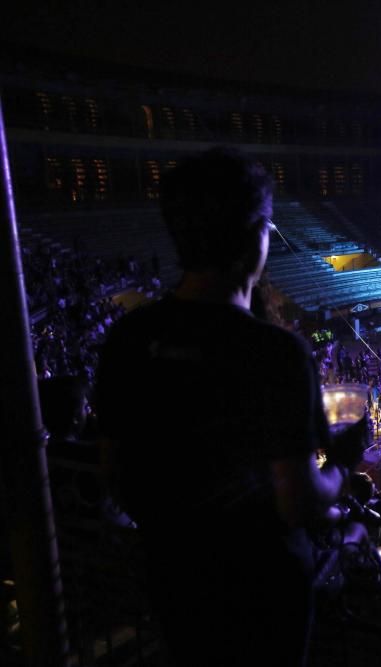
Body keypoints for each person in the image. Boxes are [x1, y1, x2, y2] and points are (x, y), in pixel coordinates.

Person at [95, 148, 364, 667]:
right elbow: (298, 503)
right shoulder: (276, 353)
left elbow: (112, 473)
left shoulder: (129, 338)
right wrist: (345, 466)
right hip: (264, 591)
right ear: (256, 237)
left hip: (173, 577)